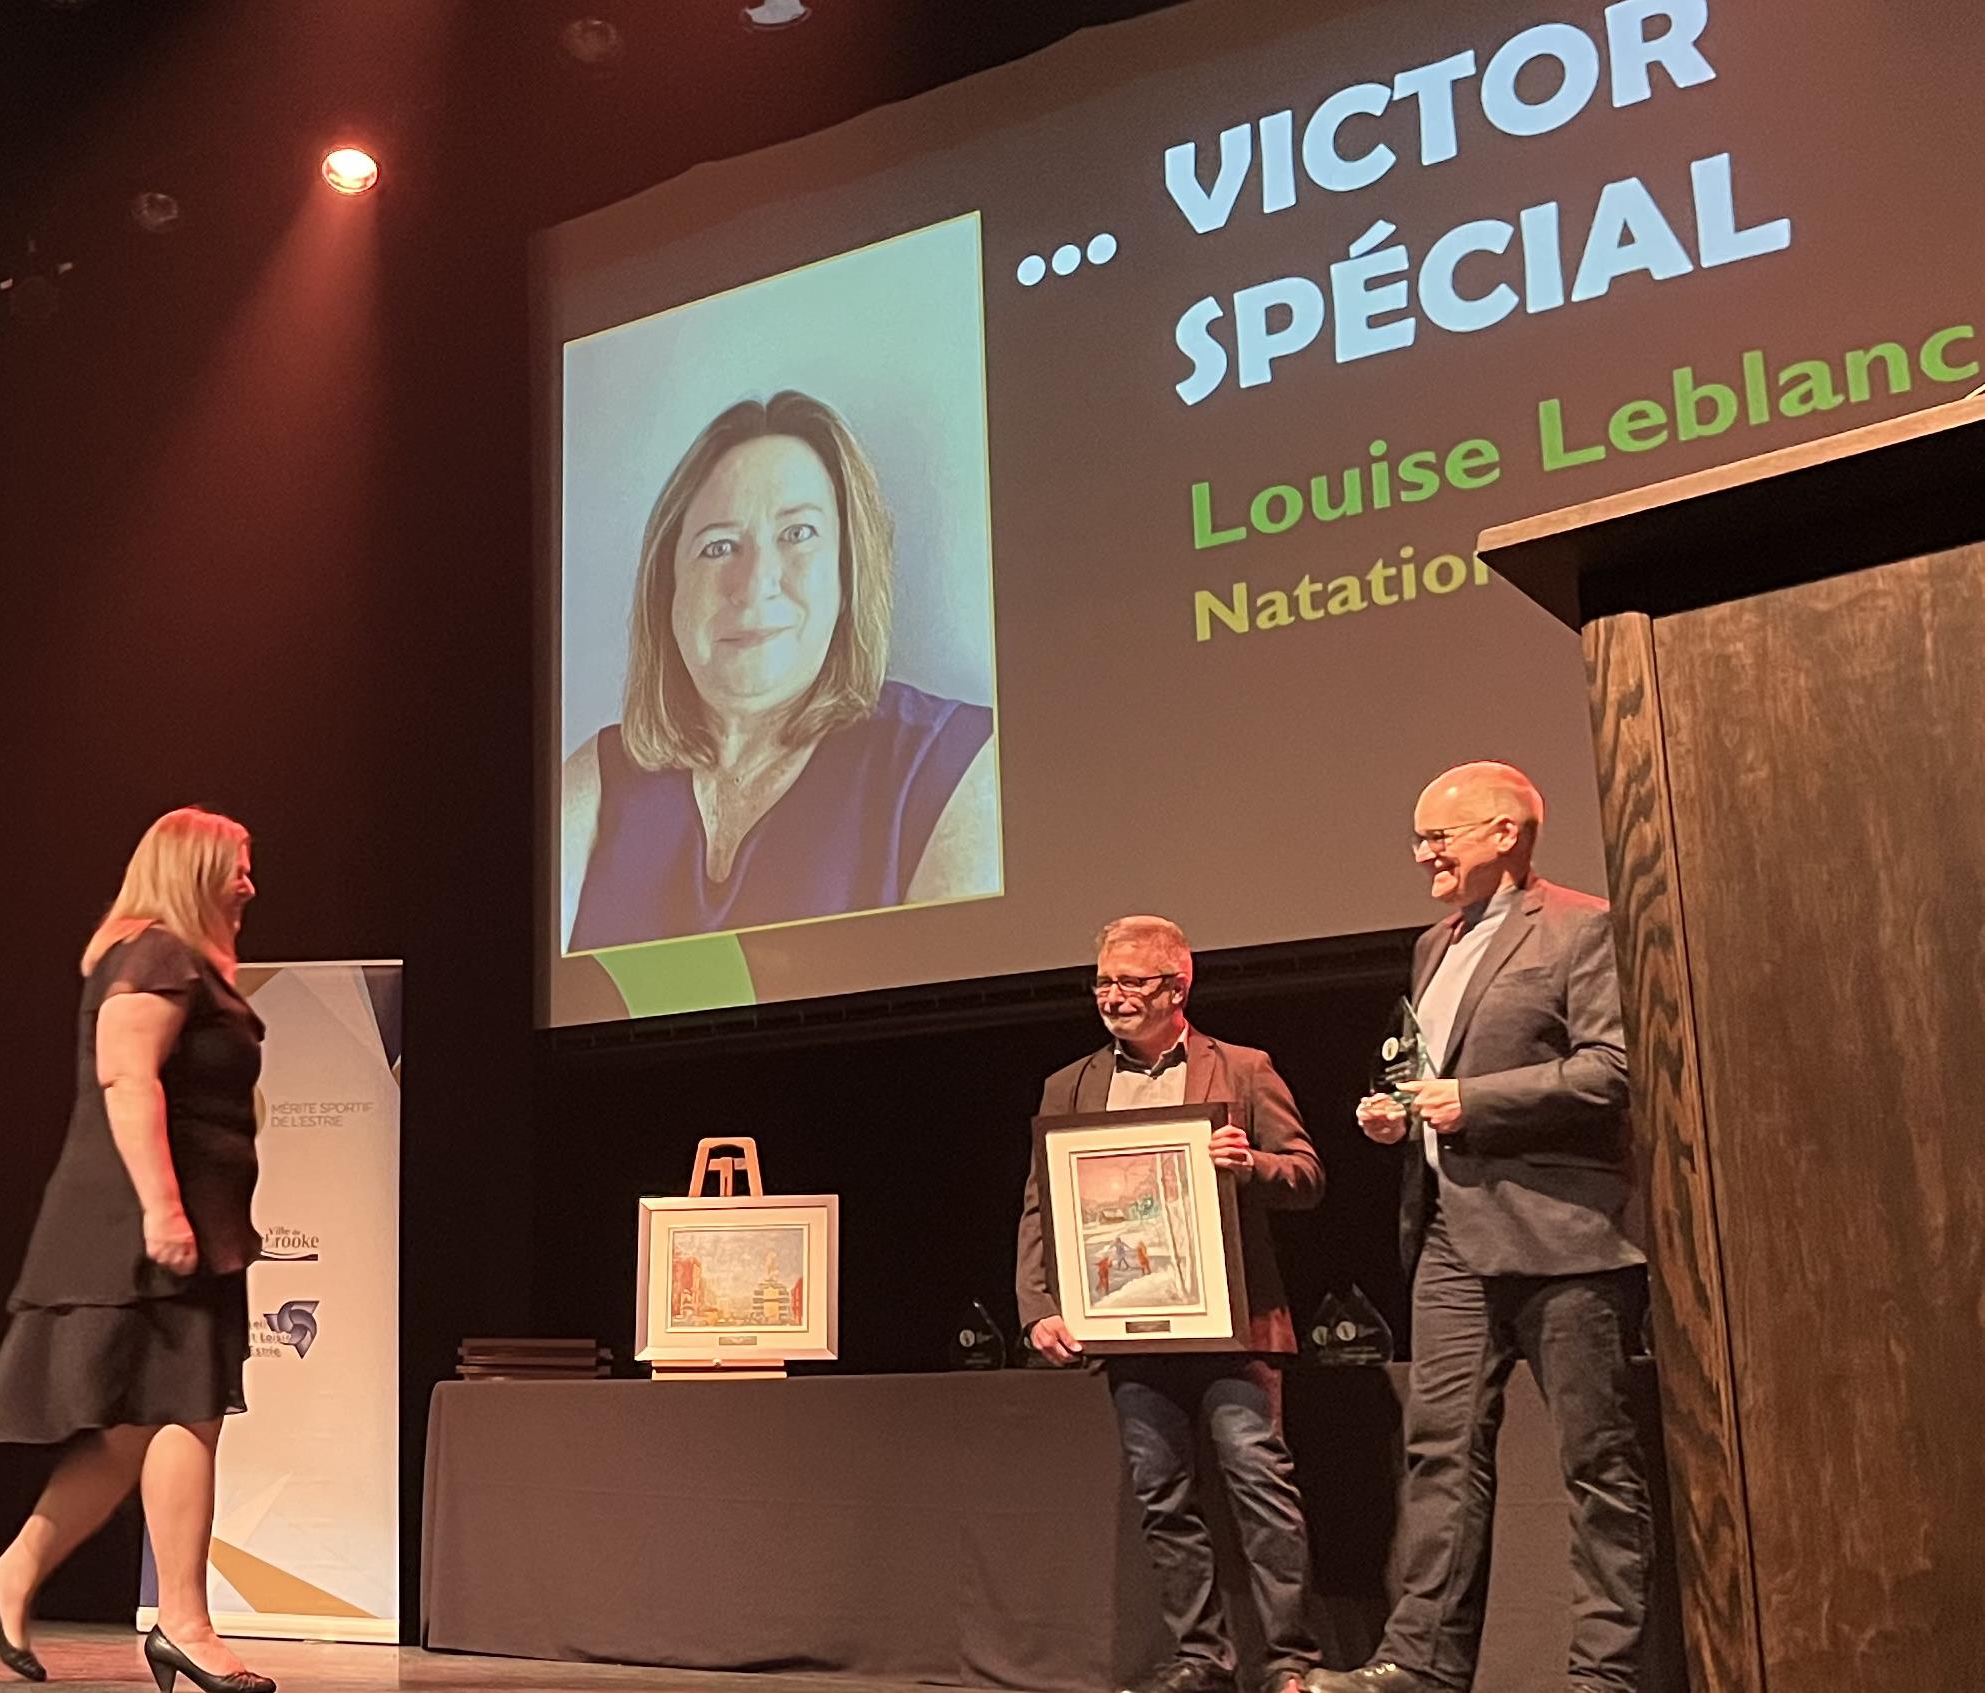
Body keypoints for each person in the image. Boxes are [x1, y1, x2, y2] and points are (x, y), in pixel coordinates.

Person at [1309, 763, 1650, 1693]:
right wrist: (1401, 1112)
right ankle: (1419, 1666)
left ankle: (1604, 1675)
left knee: (1594, 1464)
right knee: (1441, 1457)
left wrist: (1472, 1102)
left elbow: (1614, 1070)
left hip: (1566, 1236)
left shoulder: (1582, 926)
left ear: (1505, 833)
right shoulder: (1433, 945)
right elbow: (1431, 1074)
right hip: (1451, 1235)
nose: (1421, 853)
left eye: (1437, 836)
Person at [0, 807, 275, 1693]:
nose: (251, 883)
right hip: (150, 1228)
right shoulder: (159, 954)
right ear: (194, 870)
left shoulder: (173, 957)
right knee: (187, 1411)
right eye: (238, 866)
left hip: (186, 1226)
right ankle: (185, 1622)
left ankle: (13, 1573)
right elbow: (125, 1077)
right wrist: (164, 1212)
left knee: (134, 1430)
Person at [561, 391, 998, 950]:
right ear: (666, 591)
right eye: (719, 547)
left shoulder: (958, 767)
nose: (756, 582)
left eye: (798, 534)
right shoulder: (593, 781)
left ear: (849, 573)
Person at [1018, 917, 1325, 1693]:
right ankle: (1200, 1659)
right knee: (1163, 1496)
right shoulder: (1073, 1083)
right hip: (1127, 1327)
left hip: (1234, 1324)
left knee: (1261, 1487)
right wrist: (1038, 1304)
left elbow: (1309, 1176)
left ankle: (1291, 1661)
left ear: (1177, 986)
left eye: (1131, 982)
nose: (1112, 997)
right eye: (1102, 983)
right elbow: (1040, 1205)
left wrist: (1252, 1163)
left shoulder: (1244, 1069)